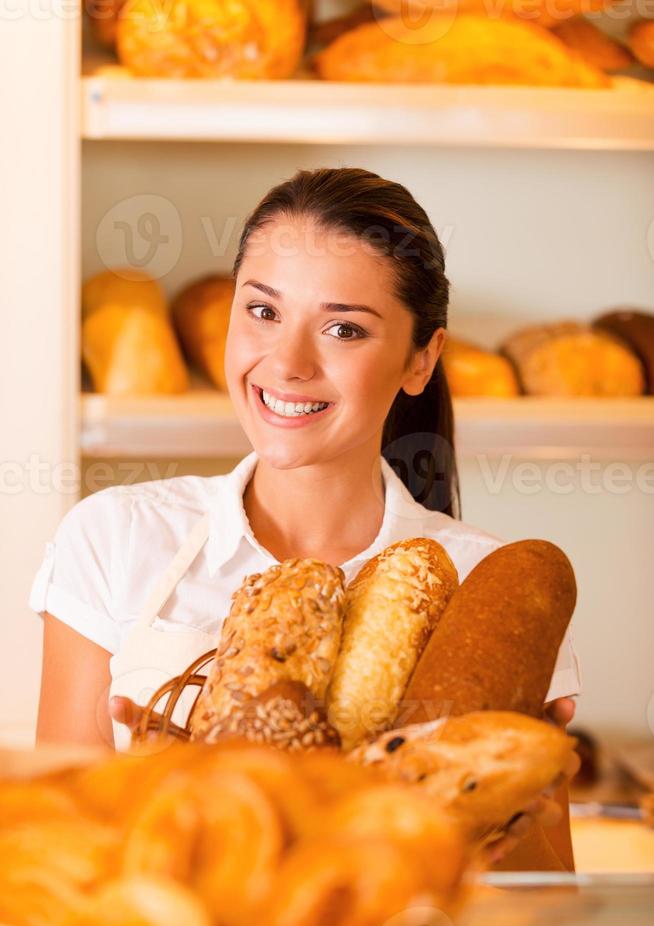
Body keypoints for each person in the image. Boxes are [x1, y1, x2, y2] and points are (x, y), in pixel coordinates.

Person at [31, 167, 581, 870]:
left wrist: (485, 840)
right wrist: (154, 805)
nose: (286, 363)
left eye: (344, 329)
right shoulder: (115, 538)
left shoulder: (497, 594)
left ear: (422, 358)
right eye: (263, 312)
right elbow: (60, 874)